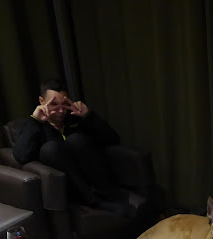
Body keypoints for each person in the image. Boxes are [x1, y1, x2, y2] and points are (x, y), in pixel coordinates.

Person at [13, 78, 132, 213]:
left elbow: (113, 139)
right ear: (42, 101)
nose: (60, 110)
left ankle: (107, 195)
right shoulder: (34, 126)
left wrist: (88, 116)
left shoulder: (75, 117)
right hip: (70, 188)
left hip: (97, 182)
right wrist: (35, 121)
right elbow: (20, 156)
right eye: (54, 104)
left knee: (76, 139)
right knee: (50, 148)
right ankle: (94, 201)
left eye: (64, 104)